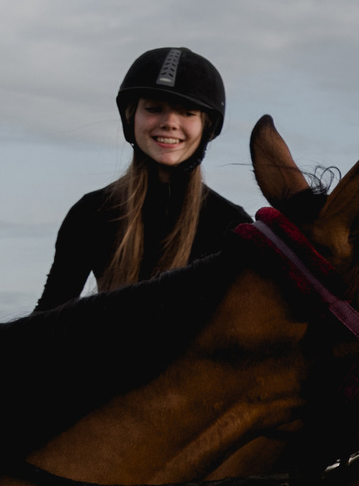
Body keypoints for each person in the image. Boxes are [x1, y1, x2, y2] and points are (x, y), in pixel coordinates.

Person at [38, 47, 250, 311]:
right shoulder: (91, 213)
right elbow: (47, 319)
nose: (170, 122)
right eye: (154, 108)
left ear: (207, 126)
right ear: (131, 116)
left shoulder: (230, 225)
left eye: (187, 112)